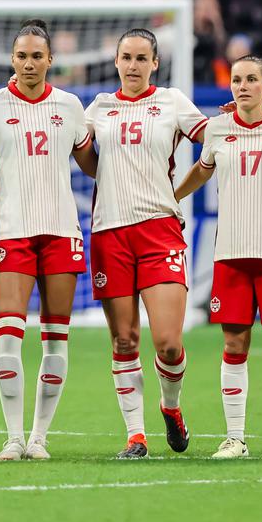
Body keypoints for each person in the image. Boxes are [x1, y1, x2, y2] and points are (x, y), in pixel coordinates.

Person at [0, 20, 97, 461]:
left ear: (50, 60)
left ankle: (39, 437)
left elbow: (91, 163)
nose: (29, 63)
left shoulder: (71, 106)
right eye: (21, 55)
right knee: (8, 338)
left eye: (37, 56)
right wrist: (2, 187)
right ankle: (13, 437)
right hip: (12, 233)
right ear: (11, 59)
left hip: (61, 231)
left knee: (55, 339)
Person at [174, 56, 262, 459]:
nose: (243, 86)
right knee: (234, 345)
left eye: (252, 79)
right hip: (230, 254)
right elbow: (203, 170)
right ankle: (235, 438)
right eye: (237, 80)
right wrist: (172, 197)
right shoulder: (217, 129)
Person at [83, 28, 209, 459]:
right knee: (124, 339)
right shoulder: (98, 108)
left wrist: (177, 194)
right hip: (110, 232)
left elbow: (216, 143)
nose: (133, 65)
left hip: (159, 230)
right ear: (116, 62)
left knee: (169, 343)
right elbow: (74, 149)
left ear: (155, 63)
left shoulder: (173, 102)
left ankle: (170, 408)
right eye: (126, 58)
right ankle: (136, 436)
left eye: (142, 58)